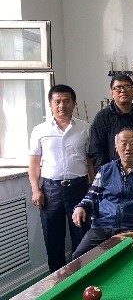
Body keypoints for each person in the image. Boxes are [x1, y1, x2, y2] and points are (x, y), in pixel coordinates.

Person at [71, 129, 133, 259]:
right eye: (124, 143)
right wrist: (80, 207)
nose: (128, 148)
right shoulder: (105, 170)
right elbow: (91, 196)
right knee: (80, 257)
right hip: (102, 227)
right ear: (116, 147)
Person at [28, 84, 92, 272]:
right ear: (50, 104)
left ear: (74, 103)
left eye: (66, 101)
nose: (62, 105)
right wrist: (35, 189)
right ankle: (57, 281)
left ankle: (80, 276)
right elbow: (34, 163)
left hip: (79, 188)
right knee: (53, 239)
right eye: (57, 102)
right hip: (50, 191)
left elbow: (89, 160)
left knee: (81, 237)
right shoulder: (40, 130)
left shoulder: (85, 128)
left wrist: (92, 186)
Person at [89, 74, 133, 170]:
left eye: (127, 87)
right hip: (113, 173)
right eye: (118, 88)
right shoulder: (103, 117)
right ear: (112, 92)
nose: (123, 90)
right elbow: (96, 148)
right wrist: (105, 171)